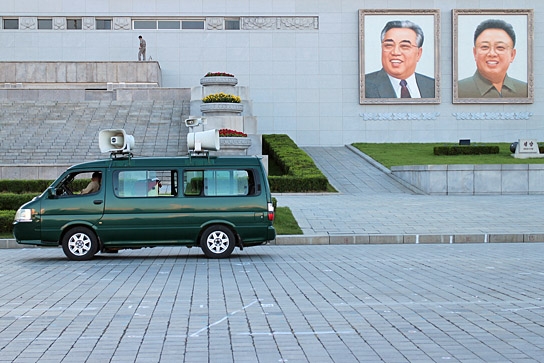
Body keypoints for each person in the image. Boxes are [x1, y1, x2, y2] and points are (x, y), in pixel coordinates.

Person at [458, 19, 527, 98]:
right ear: (475, 53)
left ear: (512, 55)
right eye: (485, 47)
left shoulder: (525, 91)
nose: (492, 54)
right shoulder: (459, 90)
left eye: (500, 47)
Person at [365, 20, 435, 99]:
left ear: (418, 54)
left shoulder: (433, 86)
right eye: (389, 45)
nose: (395, 52)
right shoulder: (364, 86)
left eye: (404, 46)